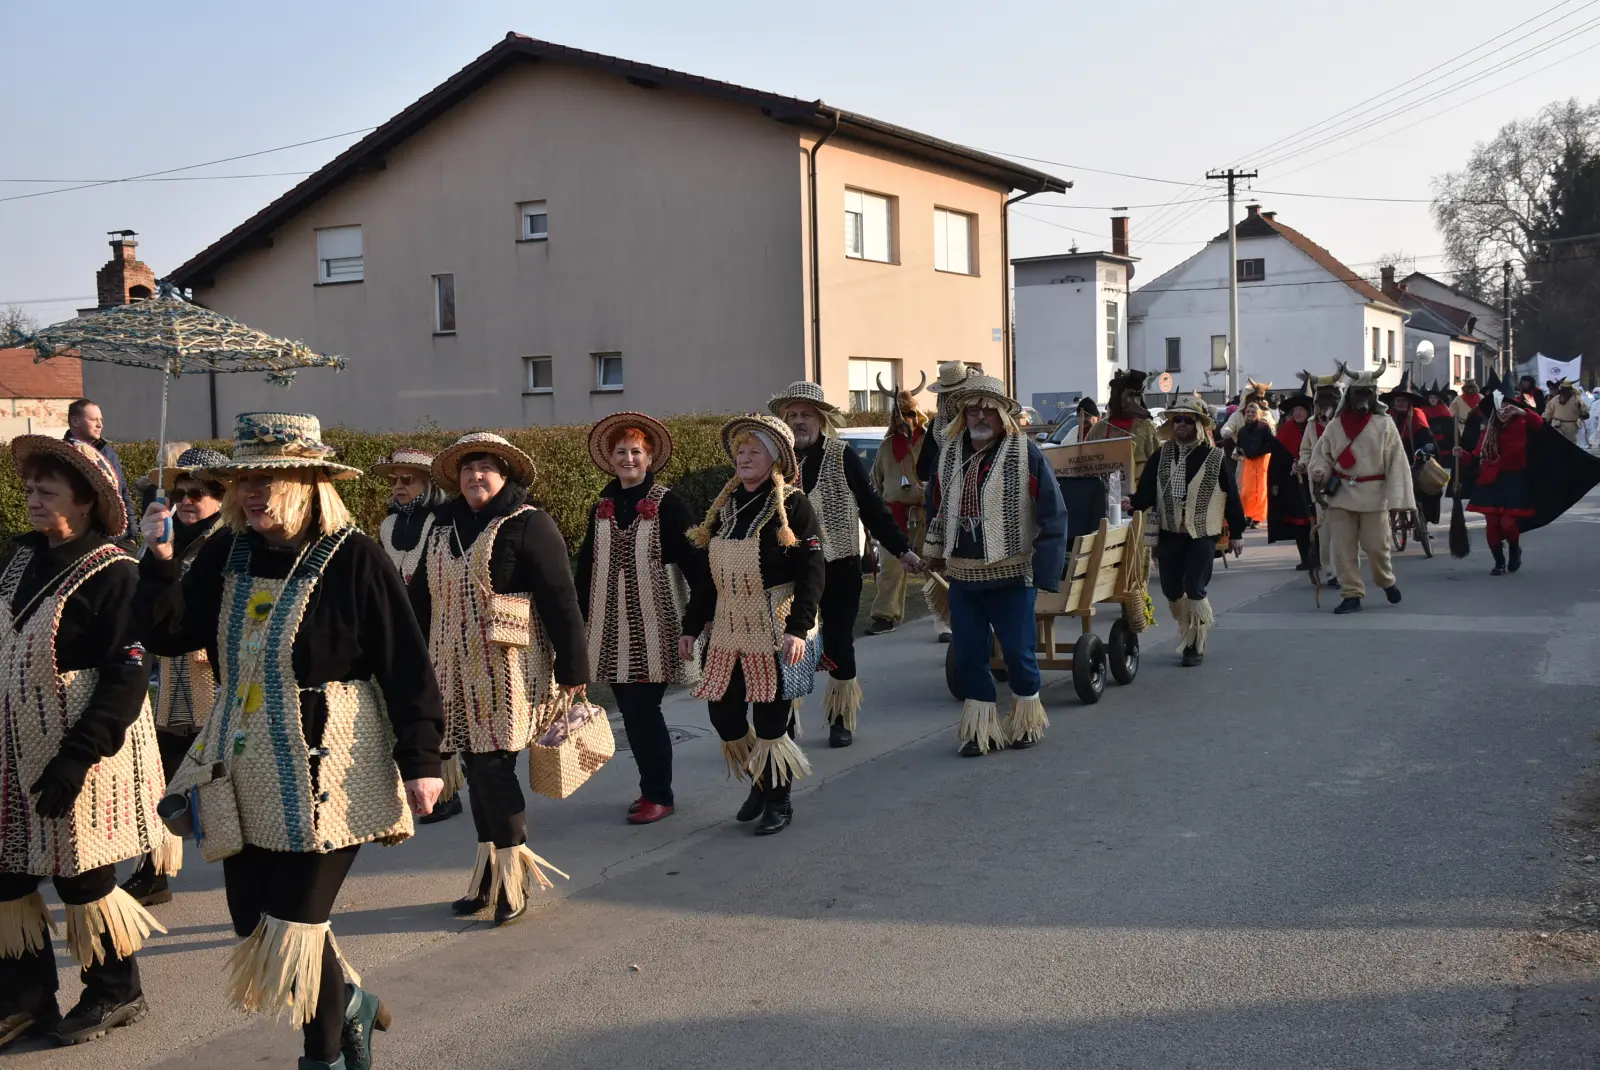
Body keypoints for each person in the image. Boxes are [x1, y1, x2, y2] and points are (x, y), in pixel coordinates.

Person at [137, 412, 445, 1070]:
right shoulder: (226, 552)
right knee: (254, 923)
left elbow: (407, 664)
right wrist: (159, 562)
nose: (252, 491)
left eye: (269, 477)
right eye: (244, 479)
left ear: (310, 482)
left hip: (334, 763)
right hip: (243, 761)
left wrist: (422, 759)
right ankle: (352, 1002)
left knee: (295, 928)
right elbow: (167, 636)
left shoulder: (354, 556)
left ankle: (323, 1057)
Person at [0, 437, 173, 1049]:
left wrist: (77, 757)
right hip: (13, 748)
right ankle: (24, 1001)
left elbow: (127, 674)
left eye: (47, 491)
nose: (33, 500)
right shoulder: (18, 561)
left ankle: (115, 990)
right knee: (6, 874)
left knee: (83, 878)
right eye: (29, 490)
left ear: (86, 500)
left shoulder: (115, 572)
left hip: (87, 749)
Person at [406, 433, 588, 928]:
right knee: (474, 764)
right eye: (467, 469)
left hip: (509, 670)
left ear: (506, 475)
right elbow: (421, 598)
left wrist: (574, 670)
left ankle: (513, 876)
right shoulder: (442, 528)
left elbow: (560, 599)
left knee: (491, 766)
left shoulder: (529, 523)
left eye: (486, 467)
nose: (475, 476)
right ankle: (489, 874)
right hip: (450, 667)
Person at [680, 414, 824, 835]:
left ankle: (778, 801)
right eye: (740, 451)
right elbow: (709, 576)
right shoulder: (725, 505)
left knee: (771, 721)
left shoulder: (793, 505)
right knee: (723, 714)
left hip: (774, 626)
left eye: (754, 451)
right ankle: (760, 780)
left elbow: (812, 569)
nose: (743, 458)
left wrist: (799, 627)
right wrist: (692, 625)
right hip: (727, 626)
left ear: (775, 457)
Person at [770, 382, 921, 749]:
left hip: (838, 566)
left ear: (821, 419)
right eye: (793, 415)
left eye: (806, 414)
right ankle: (784, 721)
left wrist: (902, 549)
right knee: (789, 646)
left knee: (838, 644)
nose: (799, 421)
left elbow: (873, 507)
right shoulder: (776, 463)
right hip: (790, 574)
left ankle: (841, 719)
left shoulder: (841, 455)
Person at [923, 375, 1067, 757]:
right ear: (963, 415)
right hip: (963, 577)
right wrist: (931, 552)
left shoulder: (1027, 453)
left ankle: (1025, 721)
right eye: (973, 409)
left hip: (1012, 574)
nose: (980, 415)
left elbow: (1054, 514)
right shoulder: (948, 455)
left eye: (988, 408)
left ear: (1003, 413)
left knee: (1019, 655)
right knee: (969, 654)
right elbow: (934, 507)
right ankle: (980, 731)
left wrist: (1048, 571)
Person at [574, 413, 707, 826]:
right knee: (630, 708)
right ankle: (650, 787)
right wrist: (575, 624)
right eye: (621, 452)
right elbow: (585, 567)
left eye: (636, 451)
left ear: (649, 458)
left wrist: (693, 625)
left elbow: (697, 566)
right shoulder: (602, 506)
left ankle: (659, 794)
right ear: (610, 459)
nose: (628, 458)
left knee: (641, 710)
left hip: (657, 624)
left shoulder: (671, 503)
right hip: (609, 627)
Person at [120, 447, 229, 910]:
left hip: (215, 682)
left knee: (219, 782)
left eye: (199, 491)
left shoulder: (227, 542)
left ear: (222, 497)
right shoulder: (165, 538)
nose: (187, 499)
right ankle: (153, 871)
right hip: (168, 680)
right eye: (181, 491)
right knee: (160, 779)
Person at [370, 448, 462, 827]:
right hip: (399, 626)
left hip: (437, 624)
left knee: (440, 705)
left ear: (428, 483)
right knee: (407, 703)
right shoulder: (389, 525)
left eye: (407, 479)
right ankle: (418, 785)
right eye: (394, 480)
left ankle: (448, 791)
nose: (398, 487)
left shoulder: (442, 520)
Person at [1127, 397, 1245, 666]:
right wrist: (1131, 502)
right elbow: (1145, 492)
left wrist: (1237, 532)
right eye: (1176, 420)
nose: (1180, 425)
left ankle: (1195, 644)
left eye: (1186, 420)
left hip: (1202, 534)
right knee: (1170, 589)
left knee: (1194, 586)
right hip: (1169, 533)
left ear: (1198, 425)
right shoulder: (1162, 454)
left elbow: (1232, 496)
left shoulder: (1214, 456)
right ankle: (1188, 627)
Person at [1307, 370, 1414, 614]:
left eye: (1368, 393)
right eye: (1358, 393)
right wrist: (1319, 472)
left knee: (1377, 547)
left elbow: (1397, 463)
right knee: (1343, 550)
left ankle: (1386, 580)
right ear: (1350, 395)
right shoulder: (1334, 425)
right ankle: (1351, 594)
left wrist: (1398, 499)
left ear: (1374, 395)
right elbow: (1322, 456)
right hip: (1341, 496)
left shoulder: (1385, 425)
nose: (1363, 399)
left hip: (1374, 496)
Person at [868, 381, 934, 635]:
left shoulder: (929, 443)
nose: (906, 420)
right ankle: (885, 616)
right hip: (893, 518)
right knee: (890, 569)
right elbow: (875, 480)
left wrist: (924, 493)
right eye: (901, 415)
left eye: (910, 414)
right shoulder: (886, 447)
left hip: (925, 516)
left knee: (935, 565)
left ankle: (947, 618)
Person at [1460, 397, 1544, 574]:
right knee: (1492, 525)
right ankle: (1499, 562)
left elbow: (1540, 425)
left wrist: (1520, 411)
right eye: (1501, 408)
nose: (1504, 412)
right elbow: (1476, 456)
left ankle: (1514, 548)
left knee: (1507, 524)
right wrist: (1462, 455)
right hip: (1490, 479)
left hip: (1513, 478)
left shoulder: (1523, 424)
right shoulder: (1489, 430)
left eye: (1508, 408)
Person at [924, 362, 976, 643]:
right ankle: (946, 620)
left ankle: (953, 621)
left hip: (956, 498)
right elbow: (925, 467)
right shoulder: (943, 425)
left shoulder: (945, 424)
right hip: (945, 497)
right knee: (945, 560)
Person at [1297, 369, 1348, 588]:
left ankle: (1347, 568)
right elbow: (1305, 450)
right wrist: (1303, 463)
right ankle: (1331, 571)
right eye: (1320, 401)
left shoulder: (1347, 421)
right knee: (1325, 529)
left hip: (1347, 481)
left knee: (1345, 529)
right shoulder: (1311, 424)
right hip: (1320, 484)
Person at [63, 398, 136, 544]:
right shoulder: (63, 455)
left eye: (101, 419)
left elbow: (123, 493)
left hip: (120, 539)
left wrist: (131, 535)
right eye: (93, 419)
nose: (100, 425)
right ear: (76, 422)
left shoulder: (107, 451)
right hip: (86, 542)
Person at [1382, 378, 1441, 550]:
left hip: (1414, 457)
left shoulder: (1417, 415)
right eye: (1398, 400)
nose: (1400, 403)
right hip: (1392, 459)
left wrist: (1426, 449)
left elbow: (1427, 438)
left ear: (1409, 403)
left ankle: (1423, 521)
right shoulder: (1386, 418)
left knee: (1428, 489)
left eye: (1403, 401)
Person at [1082, 369, 1158, 486]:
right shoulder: (1099, 429)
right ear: (1117, 397)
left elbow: (1159, 466)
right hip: (1105, 498)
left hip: (1138, 499)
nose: (1137, 403)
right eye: (1131, 395)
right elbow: (1084, 466)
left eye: (1138, 396)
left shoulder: (1146, 428)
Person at [1269, 394, 1316, 570]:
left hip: (1315, 480)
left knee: (1317, 521)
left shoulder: (1316, 427)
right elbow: (1277, 458)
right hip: (1292, 483)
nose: (1297, 413)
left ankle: (1318, 556)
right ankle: (1305, 558)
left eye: (1301, 410)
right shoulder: (1286, 430)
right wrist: (1275, 482)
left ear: (1308, 411)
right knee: (1299, 523)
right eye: (1295, 410)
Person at [1224, 400, 1272, 529]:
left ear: (1258, 414)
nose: (1250, 414)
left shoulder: (1264, 427)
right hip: (1247, 462)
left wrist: (1258, 453)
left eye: (1253, 412)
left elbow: (1270, 444)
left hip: (1261, 463)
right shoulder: (1243, 430)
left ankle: (1257, 518)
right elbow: (1239, 445)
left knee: (1260, 491)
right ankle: (1248, 515)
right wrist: (1240, 452)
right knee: (1246, 490)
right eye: (1248, 412)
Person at [1543, 379, 1589, 445]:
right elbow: (1548, 412)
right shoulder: (1555, 400)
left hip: (1571, 428)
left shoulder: (1577, 400)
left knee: (1571, 445)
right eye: (1563, 389)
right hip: (1557, 426)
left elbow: (1585, 413)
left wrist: (1583, 412)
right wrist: (1544, 419)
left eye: (1566, 389)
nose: (1564, 391)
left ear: (1570, 390)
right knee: (1558, 444)